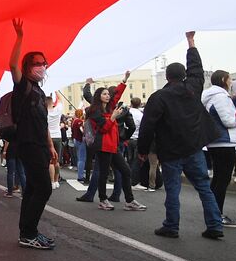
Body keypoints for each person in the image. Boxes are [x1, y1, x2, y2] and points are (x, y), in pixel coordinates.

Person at [137, 33, 224, 240]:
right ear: (184, 75)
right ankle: (215, 224)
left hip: (170, 150)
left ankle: (172, 225)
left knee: (173, 190)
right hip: (194, 147)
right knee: (204, 187)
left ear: (167, 77)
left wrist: (143, 150)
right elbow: (196, 68)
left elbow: (147, 126)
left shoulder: (158, 97)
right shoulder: (193, 88)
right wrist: (191, 44)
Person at [7, 19, 59, 248]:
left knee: (32, 188)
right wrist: (19, 38)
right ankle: (29, 233)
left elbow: (43, 122)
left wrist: (50, 146)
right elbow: (12, 66)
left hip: (39, 144)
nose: (42, 66)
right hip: (27, 144)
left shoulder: (39, 90)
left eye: (44, 63)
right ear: (28, 66)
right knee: (44, 188)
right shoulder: (24, 86)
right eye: (37, 63)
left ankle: (26, 233)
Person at [77, 75, 142, 211]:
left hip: (113, 146)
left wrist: (124, 81)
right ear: (98, 96)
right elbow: (104, 128)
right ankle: (103, 199)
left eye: (108, 94)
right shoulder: (94, 111)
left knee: (125, 171)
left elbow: (117, 94)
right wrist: (113, 117)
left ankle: (129, 201)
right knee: (103, 173)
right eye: (104, 94)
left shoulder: (110, 107)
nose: (108, 96)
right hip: (103, 146)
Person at [202, 69, 236, 227]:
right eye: (230, 79)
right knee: (221, 181)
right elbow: (228, 120)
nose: (231, 82)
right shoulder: (220, 97)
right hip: (223, 141)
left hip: (215, 141)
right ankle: (217, 214)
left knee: (218, 180)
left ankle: (213, 213)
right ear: (224, 79)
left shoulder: (209, 96)